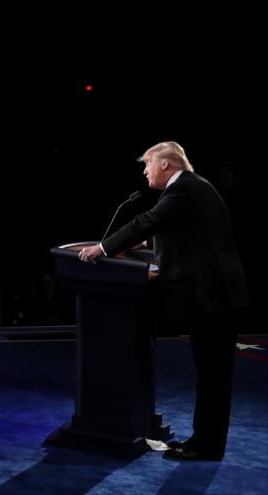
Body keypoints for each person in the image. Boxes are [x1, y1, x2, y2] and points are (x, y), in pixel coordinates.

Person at [78, 141, 248, 461]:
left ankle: (205, 446)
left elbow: (148, 220)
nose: (145, 171)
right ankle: (205, 441)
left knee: (213, 374)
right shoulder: (192, 189)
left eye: (148, 165)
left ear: (166, 165)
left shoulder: (182, 189)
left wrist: (104, 249)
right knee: (212, 374)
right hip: (217, 295)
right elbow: (181, 230)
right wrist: (145, 241)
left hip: (213, 297)